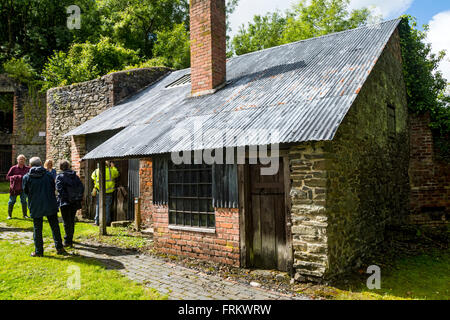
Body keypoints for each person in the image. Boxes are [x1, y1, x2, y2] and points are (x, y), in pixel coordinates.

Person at [22, 157, 66, 257]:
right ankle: (60, 248)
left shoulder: (27, 177)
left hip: (35, 204)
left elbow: (25, 191)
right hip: (50, 203)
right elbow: (52, 187)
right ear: (41, 164)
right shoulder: (49, 175)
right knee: (55, 226)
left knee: (37, 228)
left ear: (30, 165)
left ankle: (39, 251)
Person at [56, 160, 84, 248]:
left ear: (61, 167)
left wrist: (66, 198)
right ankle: (70, 238)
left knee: (66, 221)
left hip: (65, 202)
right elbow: (81, 187)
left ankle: (68, 240)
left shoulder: (60, 177)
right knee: (71, 220)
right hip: (74, 201)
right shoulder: (75, 176)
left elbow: (59, 189)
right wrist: (77, 197)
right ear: (68, 166)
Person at [91, 161, 119, 226]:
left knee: (98, 205)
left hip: (99, 191)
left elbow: (92, 177)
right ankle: (106, 222)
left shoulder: (96, 171)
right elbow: (117, 174)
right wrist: (113, 167)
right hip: (109, 192)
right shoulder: (111, 170)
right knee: (107, 207)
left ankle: (97, 221)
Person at [6, 154, 30, 219]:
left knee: (24, 201)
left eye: (23, 159)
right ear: (17, 160)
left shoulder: (28, 168)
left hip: (23, 188)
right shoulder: (13, 168)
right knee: (12, 201)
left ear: (25, 160)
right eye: (20, 159)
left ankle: (25, 215)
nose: (21, 160)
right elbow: (7, 177)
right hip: (14, 188)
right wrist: (15, 177)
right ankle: (9, 215)